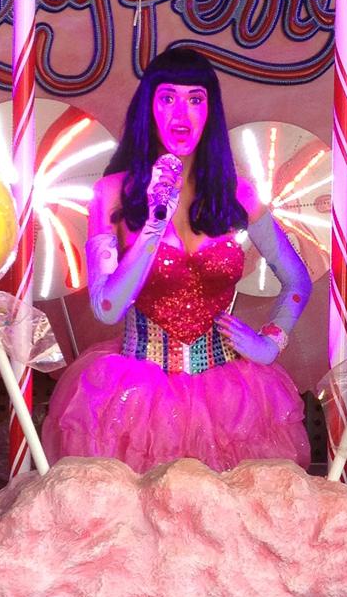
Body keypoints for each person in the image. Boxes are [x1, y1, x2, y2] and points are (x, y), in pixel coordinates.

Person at [43, 46, 312, 472]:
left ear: (210, 111)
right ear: (149, 107)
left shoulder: (239, 194)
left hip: (230, 400)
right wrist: (154, 224)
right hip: (135, 400)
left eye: (195, 99)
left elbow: (298, 280)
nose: (181, 113)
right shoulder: (112, 193)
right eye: (167, 97)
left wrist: (269, 344)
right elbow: (107, 308)